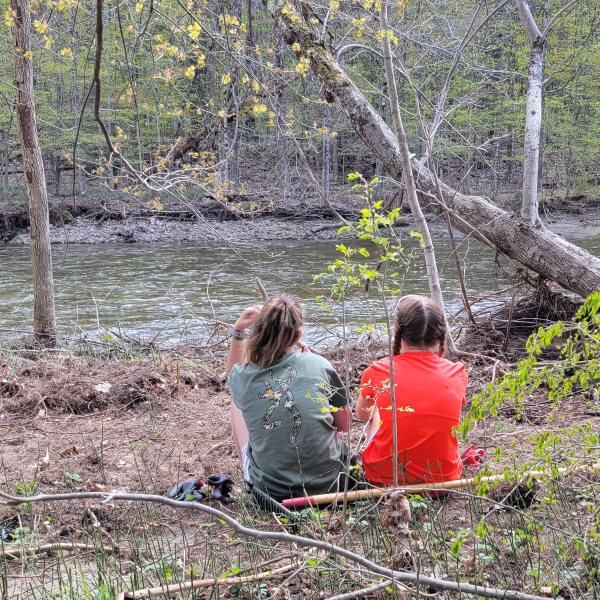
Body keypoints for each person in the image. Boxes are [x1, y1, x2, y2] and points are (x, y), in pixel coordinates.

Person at [227, 295, 351, 501]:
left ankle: (251, 478)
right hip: (332, 484)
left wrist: (238, 332)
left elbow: (233, 377)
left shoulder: (242, 376)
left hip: (270, 494)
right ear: (298, 335)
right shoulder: (319, 364)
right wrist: (311, 365)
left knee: (236, 395)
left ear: (257, 333)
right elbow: (345, 424)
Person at [356, 295, 467, 486]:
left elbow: (363, 415)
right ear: (440, 334)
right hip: (444, 480)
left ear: (396, 330)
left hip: (383, 479)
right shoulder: (457, 372)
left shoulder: (377, 370)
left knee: (376, 414)